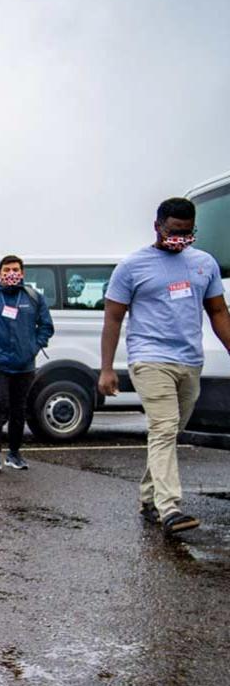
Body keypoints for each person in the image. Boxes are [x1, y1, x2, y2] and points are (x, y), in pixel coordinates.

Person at [98, 197, 230, 535]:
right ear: (157, 227)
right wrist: (107, 368)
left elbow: (218, 313)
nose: (180, 239)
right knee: (164, 427)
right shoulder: (132, 266)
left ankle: (148, 497)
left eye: (188, 234)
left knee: (168, 433)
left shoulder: (205, 264)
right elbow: (113, 318)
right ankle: (169, 507)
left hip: (190, 361)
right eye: (174, 232)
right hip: (149, 358)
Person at [0, 256, 53, 473]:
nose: (11, 273)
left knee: (18, 411)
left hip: (24, 366)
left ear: (22, 273)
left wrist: (33, 347)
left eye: (15, 269)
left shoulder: (33, 298)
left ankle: (14, 454)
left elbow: (46, 327)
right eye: (7, 269)